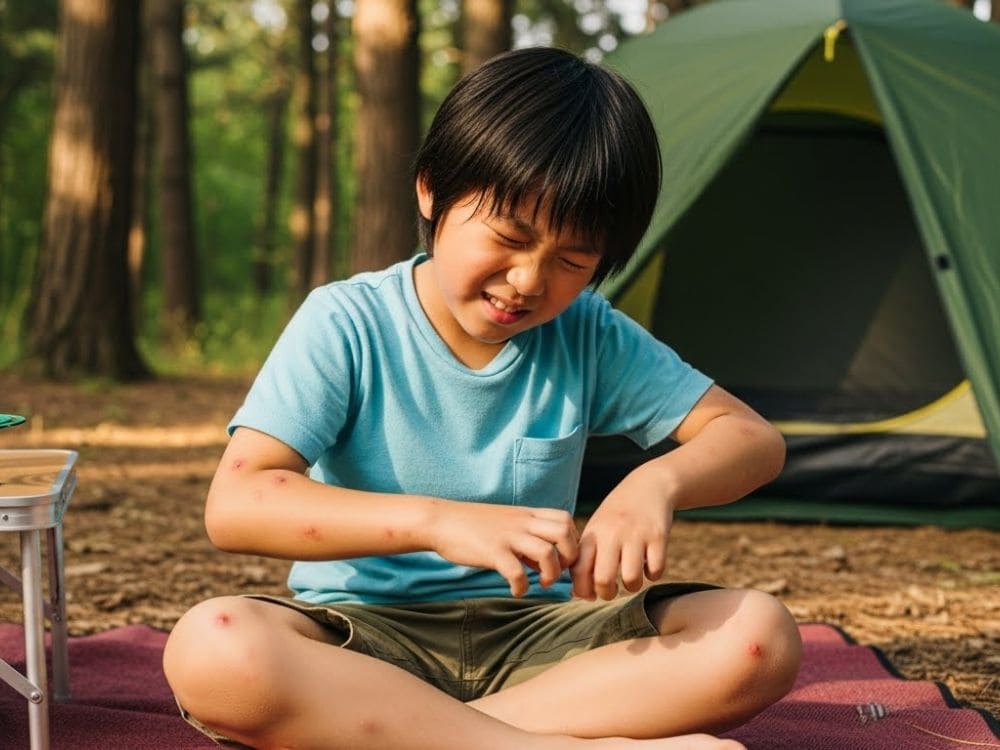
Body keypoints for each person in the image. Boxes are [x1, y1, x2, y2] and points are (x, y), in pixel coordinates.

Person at [163, 47, 801, 750]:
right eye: (510, 237)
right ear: (431, 191)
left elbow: (751, 439)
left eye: (572, 260)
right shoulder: (347, 322)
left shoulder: (588, 334)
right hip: (361, 641)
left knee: (757, 636)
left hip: (541, 642)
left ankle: (424, 736)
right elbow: (237, 504)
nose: (528, 280)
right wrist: (437, 522)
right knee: (213, 646)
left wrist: (656, 484)